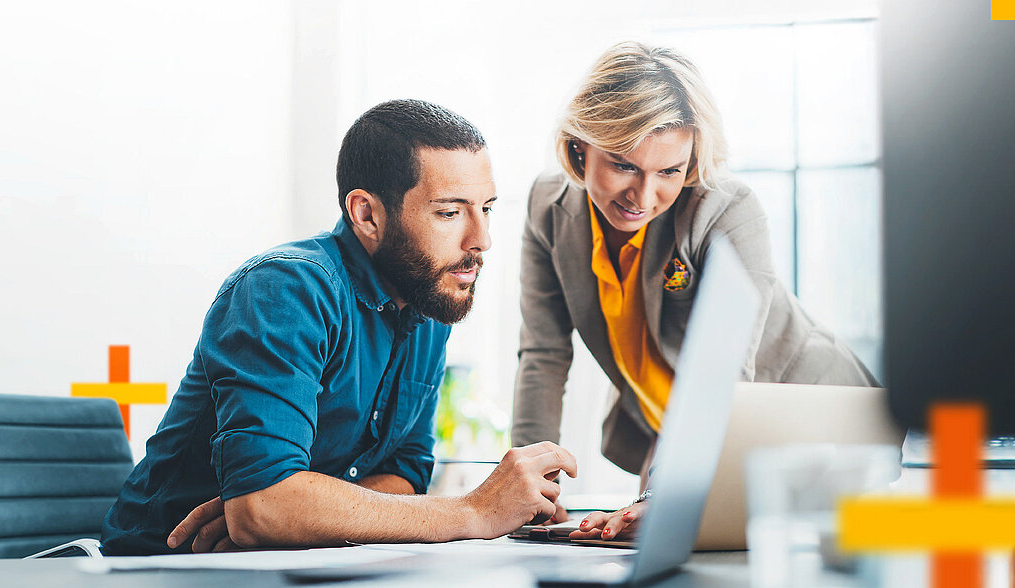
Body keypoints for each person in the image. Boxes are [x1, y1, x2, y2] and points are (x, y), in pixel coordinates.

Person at [100, 99, 576, 555]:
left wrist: (300, 516)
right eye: (450, 213)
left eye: (486, 208)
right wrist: (472, 512)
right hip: (162, 567)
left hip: (297, 563)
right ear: (366, 213)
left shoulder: (427, 301)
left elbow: (404, 471)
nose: (482, 239)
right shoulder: (285, 289)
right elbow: (262, 508)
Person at [510, 42, 877, 541]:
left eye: (669, 172)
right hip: (678, 439)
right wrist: (531, 488)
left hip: (810, 423)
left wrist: (663, 494)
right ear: (580, 147)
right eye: (623, 165)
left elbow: (722, 380)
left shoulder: (725, 211)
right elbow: (543, 356)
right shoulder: (546, 208)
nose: (643, 197)